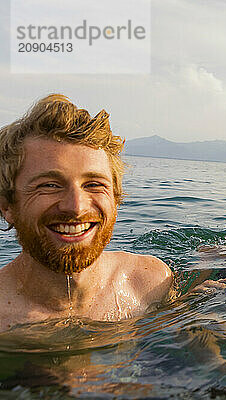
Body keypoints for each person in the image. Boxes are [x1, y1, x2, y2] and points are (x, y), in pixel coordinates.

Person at [0, 94, 174, 331]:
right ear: (6, 207)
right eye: (49, 185)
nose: (76, 207)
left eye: (94, 184)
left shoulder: (150, 282)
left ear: (115, 198)